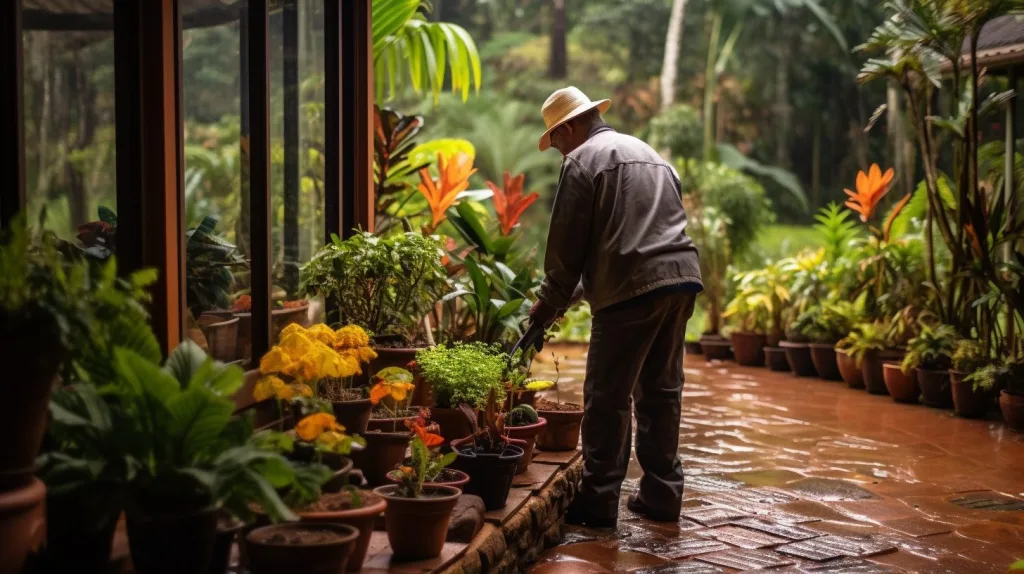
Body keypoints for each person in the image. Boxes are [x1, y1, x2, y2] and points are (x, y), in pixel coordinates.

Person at [529, 86, 703, 528]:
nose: (559, 150)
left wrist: (547, 304)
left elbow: (568, 246)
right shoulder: (650, 155)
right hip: (681, 280)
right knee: (661, 392)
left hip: (631, 289)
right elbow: (625, 236)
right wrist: (564, 299)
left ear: (569, 127)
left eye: (556, 139)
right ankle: (662, 495)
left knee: (607, 397)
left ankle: (599, 501)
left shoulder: (582, 160)